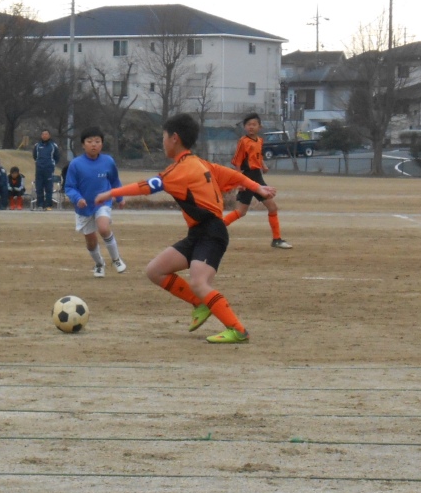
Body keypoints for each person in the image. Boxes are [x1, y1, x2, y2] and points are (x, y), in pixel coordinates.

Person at [95, 113, 276, 344]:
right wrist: (257, 187)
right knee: (155, 271)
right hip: (198, 233)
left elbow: (145, 186)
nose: (162, 142)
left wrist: (111, 193)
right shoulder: (200, 163)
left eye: (164, 137)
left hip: (212, 233)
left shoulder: (178, 171)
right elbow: (232, 174)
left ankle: (238, 330)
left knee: (199, 283)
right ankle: (200, 303)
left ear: (174, 138)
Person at [64, 126, 126, 278]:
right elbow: (69, 187)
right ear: (83, 144)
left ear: (102, 144)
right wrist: (78, 199)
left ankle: (116, 259)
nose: (94, 144)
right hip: (83, 208)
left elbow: (115, 181)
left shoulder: (108, 161)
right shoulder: (76, 164)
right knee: (91, 242)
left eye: (97, 141)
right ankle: (99, 264)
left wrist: (119, 197)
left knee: (103, 228)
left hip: (102, 203)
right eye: (90, 141)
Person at [225, 112, 292, 249]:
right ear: (245, 127)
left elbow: (258, 156)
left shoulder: (260, 140)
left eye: (254, 124)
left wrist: (263, 165)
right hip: (247, 177)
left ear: (259, 127)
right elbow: (237, 162)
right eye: (248, 124)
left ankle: (277, 239)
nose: (251, 127)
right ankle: (214, 228)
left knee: (272, 207)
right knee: (241, 212)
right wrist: (240, 182)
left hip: (257, 177)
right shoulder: (243, 141)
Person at [32, 128, 60, 210]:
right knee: (39, 187)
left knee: (48, 188)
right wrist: (39, 163)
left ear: (49, 135)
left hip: (49, 169)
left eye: (46, 134)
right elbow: (35, 156)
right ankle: (40, 205)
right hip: (39, 169)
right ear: (41, 136)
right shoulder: (37, 145)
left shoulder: (53, 146)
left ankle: (48, 205)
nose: (44, 136)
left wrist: (51, 164)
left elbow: (57, 157)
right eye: (43, 134)